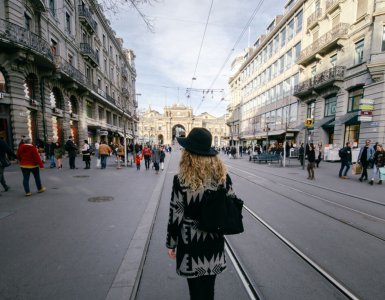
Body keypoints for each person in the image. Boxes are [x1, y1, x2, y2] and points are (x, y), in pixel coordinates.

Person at [166, 128, 232, 300]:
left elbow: (176, 213)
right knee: (209, 290)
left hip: (190, 242)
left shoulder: (181, 180)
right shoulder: (224, 178)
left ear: (188, 153)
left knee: (195, 292)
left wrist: (171, 243)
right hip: (214, 239)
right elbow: (230, 205)